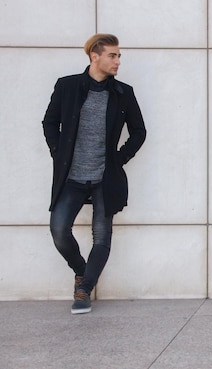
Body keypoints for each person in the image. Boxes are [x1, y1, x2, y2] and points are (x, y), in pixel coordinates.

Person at [42, 34, 146, 314]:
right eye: (113, 55)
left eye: (119, 56)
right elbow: (50, 122)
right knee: (59, 230)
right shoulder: (67, 86)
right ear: (94, 56)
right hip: (71, 177)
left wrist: (118, 159)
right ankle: (82, 270)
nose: (118, 61)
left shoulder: (123, 92)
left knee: (102, 237)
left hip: (104, 178)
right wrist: (58, 151)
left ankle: (84, 289)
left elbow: (139, 132)